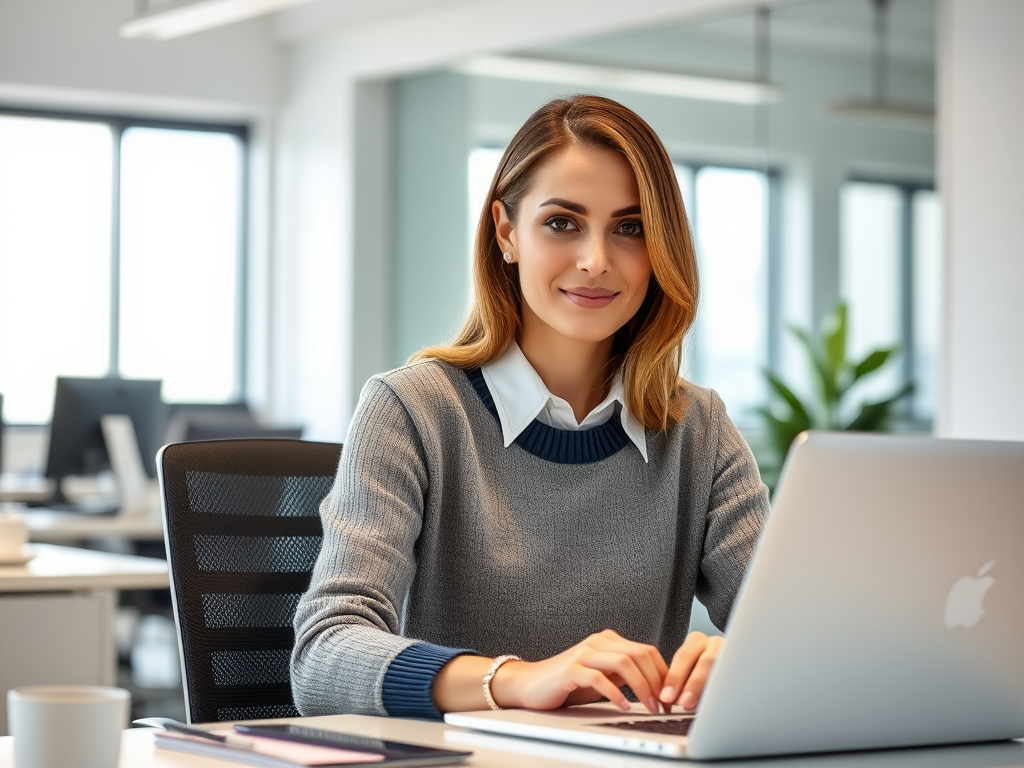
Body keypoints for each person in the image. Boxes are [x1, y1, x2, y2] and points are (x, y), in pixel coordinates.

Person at [291, 94, 769, 720]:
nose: (596, 260)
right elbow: (324, 657)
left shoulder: (697, 429)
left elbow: (798, 631)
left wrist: (742, 660)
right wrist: (516, 680)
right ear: (507, 232)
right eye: (562, 223)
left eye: (629, 228)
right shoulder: (413, 412)